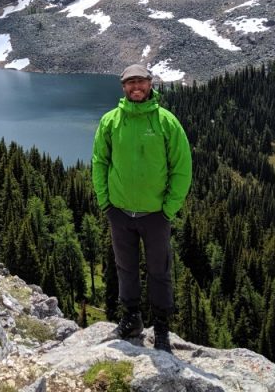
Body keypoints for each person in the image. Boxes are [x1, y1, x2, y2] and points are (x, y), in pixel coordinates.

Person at [92, 63, 192, 352]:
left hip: (155, 216)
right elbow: (99, 161)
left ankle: (161, 329)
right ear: (123, 87)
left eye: (141, 82)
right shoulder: (111, 121)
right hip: (119, 212)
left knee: (159, 271)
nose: (136, 87)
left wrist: (168, 210)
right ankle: (131, 319)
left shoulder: (166, 122)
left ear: (151, 84)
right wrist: (105, 202)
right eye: (130, 83)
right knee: (125, 268)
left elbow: (182, 168)